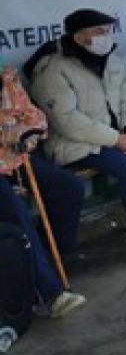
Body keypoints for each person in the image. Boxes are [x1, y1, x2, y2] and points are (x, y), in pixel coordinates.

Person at [25, 9, 126, 253]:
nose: (106, 36)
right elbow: (66, 121)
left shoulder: (111, 61)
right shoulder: (53, 69)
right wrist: (116, 139)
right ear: (79, 37)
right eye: (99, 31)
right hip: (78, 143)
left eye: (108, 31)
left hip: (119, 137)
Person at [0, 65, 86, 317]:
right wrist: (8, 132)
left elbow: (33, 116)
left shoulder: (7, 79)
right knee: (17, 215)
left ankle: (51, 256)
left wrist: (29, 133)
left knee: (69, 188)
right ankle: (51, 293)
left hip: (16, 159)